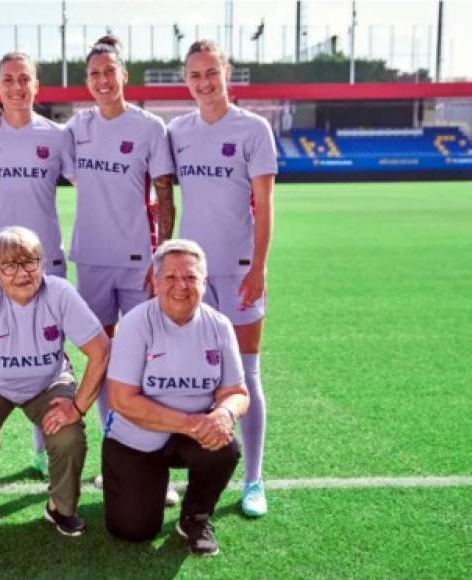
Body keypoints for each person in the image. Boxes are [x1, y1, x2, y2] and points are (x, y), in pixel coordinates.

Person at [0, 39, 179, 504]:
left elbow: (165, 194)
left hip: (138, 264)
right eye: (94, 74)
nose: (103, 81)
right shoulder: (74, 130)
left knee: (148, 364)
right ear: (86, 81)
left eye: (110, 71)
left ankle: (160, 469)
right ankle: (114, 461)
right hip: (88, 260)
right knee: (102, 361)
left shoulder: (150, 127)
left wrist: (162, 255)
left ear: (123, 75)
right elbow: (20, 137)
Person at [0, 226, 110, 541]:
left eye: (30, 262)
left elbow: (101, 351)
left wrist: (78, 406)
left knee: (68, 436)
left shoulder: (59, 293)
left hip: (47, 380)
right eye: (9, 266)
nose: (22, 273)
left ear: (43, 263)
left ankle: (60, 507)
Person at [168, 39, 277, 517]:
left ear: (226, 73)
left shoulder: (254, 129)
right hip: (191, 277)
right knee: (187, 376)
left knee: (245, 375)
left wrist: (258, 267)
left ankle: (253, 480)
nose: (204, 82)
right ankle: (184, 473)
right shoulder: (177, 131)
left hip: (237, 272)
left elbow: (265, 205)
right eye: (195, 75)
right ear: (186, 80)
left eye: (212, 72)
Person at [0, 51, 74, 477]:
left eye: (23, 79)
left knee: (49, 353)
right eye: (7, 79)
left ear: (36, 85)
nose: (16, 87)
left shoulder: (57, 135)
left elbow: (92, 181)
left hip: (46, 263)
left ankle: (43, 449)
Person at [103, 239, 248, 556]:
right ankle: (145, 489)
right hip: (135, 439)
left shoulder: (219, 326)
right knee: (132, 530)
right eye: (170, 277)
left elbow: (236, 392)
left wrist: (225, 414)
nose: (181, 285)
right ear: (154, 282)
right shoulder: (135, 324)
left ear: (204, 282)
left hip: (192, 436)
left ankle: (195, 516)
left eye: (190, 277)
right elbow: (122, 400)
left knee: (224, 447)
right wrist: (191, 423)